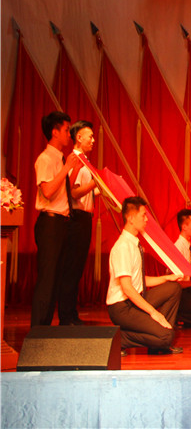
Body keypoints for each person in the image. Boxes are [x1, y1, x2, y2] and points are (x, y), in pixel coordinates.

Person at [106, 196, 189, 355]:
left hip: (136, 299)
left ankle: (159, 336)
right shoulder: (123, 247)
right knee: (166, 336)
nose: (146, 219)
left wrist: (167, 278)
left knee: (173, 288)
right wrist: (154, 312)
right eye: (143, 215)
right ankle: (119, 339)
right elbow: (127, 288)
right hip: (122, 307)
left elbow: (139, 280)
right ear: (131, 218)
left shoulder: (134, 243)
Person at [31, 111, 81, 327]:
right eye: (67, 130)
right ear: (54, 132)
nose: (70, 135)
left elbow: (62, 190)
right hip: (50, 223)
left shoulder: (59, 158)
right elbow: (48, 191)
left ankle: (45, 329)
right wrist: (68, 167)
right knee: (47, 279)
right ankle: (38, 329)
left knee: (56, 279)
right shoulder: (45, 158)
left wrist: (72, 170)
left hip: (61, 223)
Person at [58, 120, 98, 326]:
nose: (93, 140)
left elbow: (85, 191)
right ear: (79, 138)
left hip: (85, 218)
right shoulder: (75, 160)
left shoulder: (85, 161)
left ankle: (71, 314)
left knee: (77, 268)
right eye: (89, 136)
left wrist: (100, 188)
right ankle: (66, 316)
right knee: (72, 268)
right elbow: (73, 193)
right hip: (77, 219)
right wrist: (95, 183)